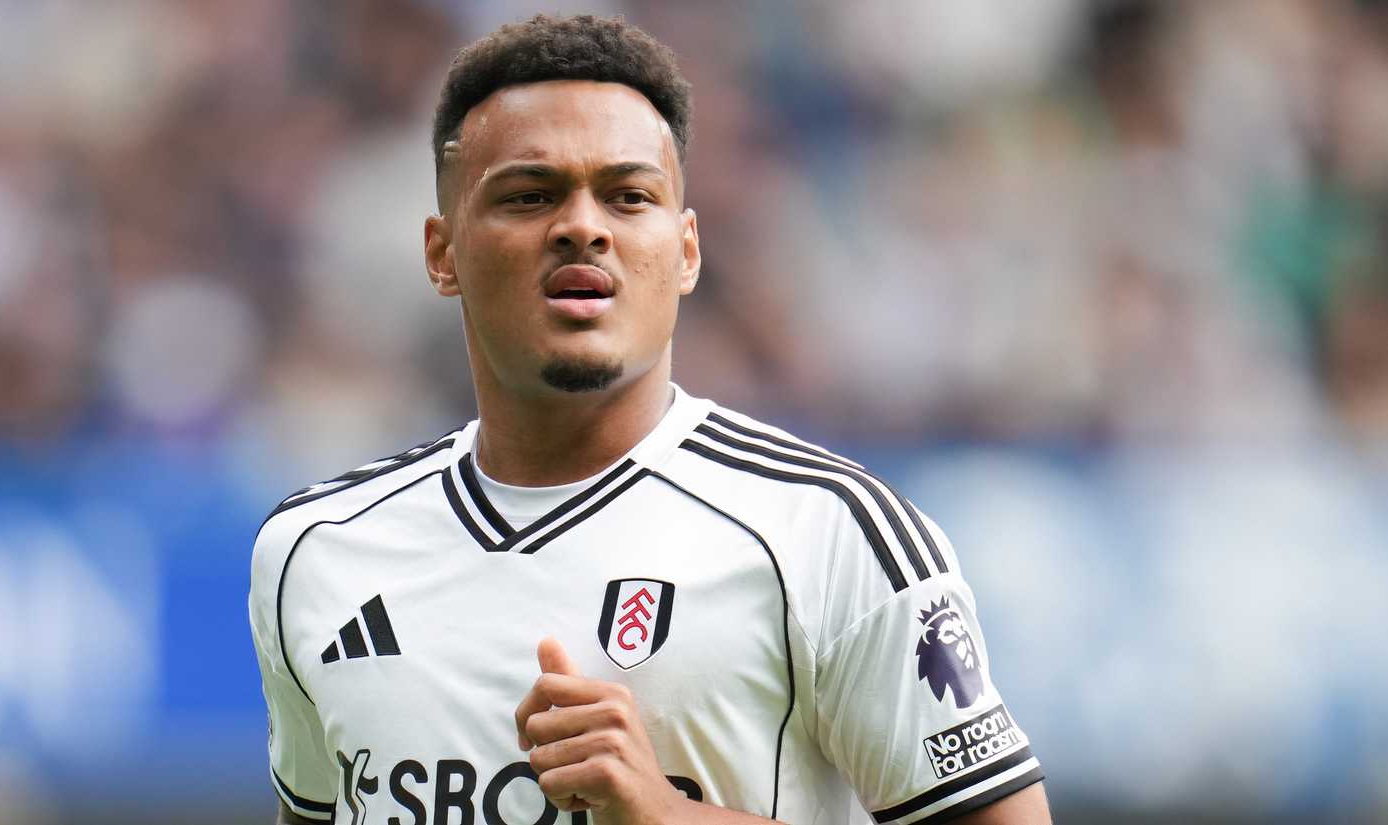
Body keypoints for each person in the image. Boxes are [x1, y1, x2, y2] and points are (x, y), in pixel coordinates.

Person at [249, 14, 1051, 825]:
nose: (582, 226)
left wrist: (665, 812)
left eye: (629, 196)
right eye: (530, 195)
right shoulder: (316, 551)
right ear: (442, 252)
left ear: (687, 250)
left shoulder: (829, 535)